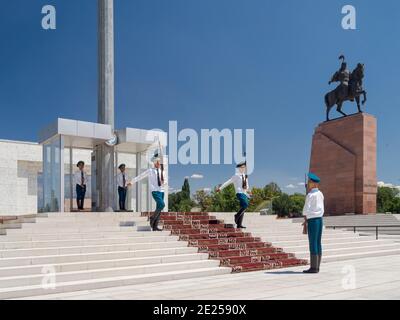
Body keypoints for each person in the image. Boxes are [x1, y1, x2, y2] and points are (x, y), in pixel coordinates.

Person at [129, 152, 166, 231]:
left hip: (162, 190)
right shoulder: (150, 170)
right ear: (154, 163)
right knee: (162, 204)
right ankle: (152, 218)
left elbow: (164, 181)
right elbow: (140, 176)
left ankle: (155, 226)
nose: (159, 163)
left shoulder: (162, 171)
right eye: (157, 162)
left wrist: (164, 181)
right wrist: (132, 182)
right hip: (155, 191)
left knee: (159, 209)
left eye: (160, 162)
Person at [217, 161, 252, 229]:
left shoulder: (245, 176)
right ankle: (236, 215)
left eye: (244, 167)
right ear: (238, 168)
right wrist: (220, 188)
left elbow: (247, 186)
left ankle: (239, 224)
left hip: (245, 193)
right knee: (245, 204)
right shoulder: (236, 176)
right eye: (241, 167)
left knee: (243, 207)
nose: (243, 169)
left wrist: (249, 192)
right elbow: (228, 182)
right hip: (239, 193)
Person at [302, 172, 324, 274]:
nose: (308, 184)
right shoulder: (320, 194)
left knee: (313, 243)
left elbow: (305, 210)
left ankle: (313, 268)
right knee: (318, 242)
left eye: (309, 182)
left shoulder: (310, 195)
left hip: (312, 220)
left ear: (314, 184)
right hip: (319, 219)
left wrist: (305, 218)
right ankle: (317, 267)